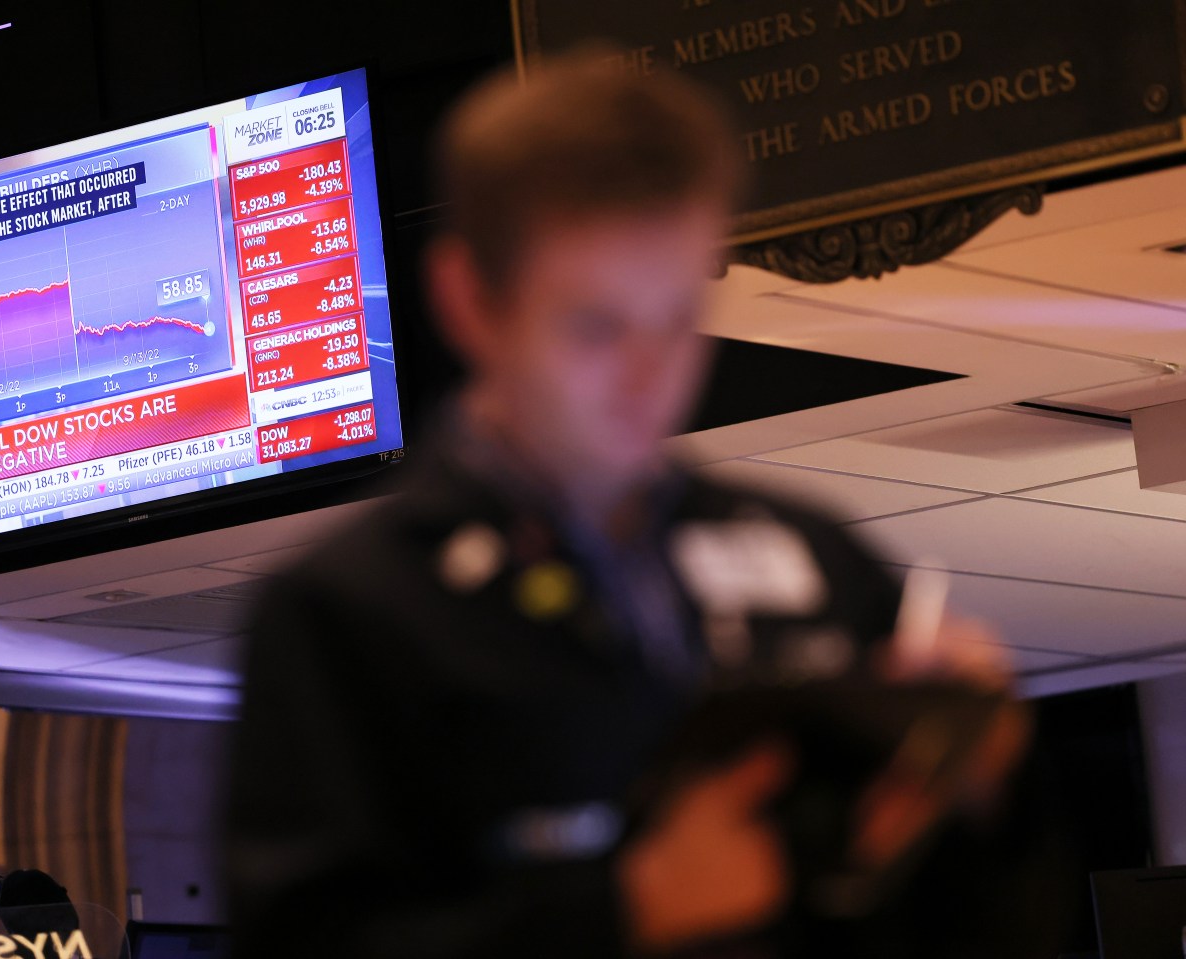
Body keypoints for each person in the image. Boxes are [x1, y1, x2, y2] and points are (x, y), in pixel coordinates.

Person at [225, 52, 1022, 958]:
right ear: (470, 300)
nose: (652, 378)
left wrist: (982, 784)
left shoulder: (809, 555)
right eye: (597, 327)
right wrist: (621, 911)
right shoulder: (351, 612)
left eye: (678, 317)